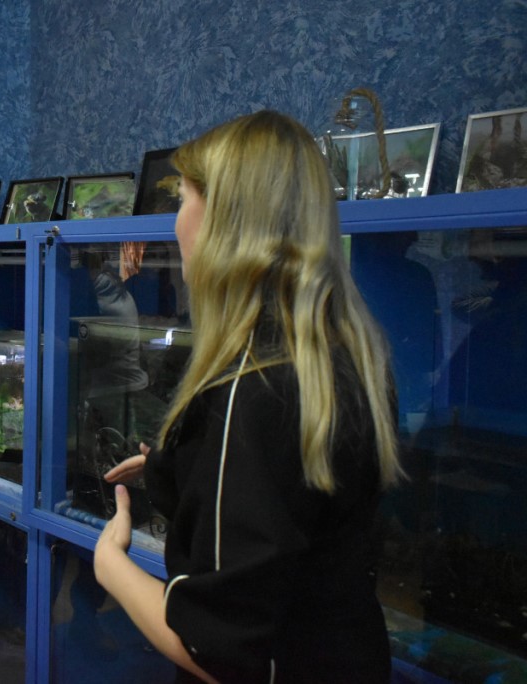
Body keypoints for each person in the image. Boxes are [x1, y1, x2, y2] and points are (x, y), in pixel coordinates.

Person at [94, 110, 404, 683]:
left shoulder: (252, 388)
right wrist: (178, 465)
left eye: (183, 200)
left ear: (224, 221)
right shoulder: (353, 357)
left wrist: (110, 564)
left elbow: (214, 650)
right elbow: (294, 503)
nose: (176, 225)